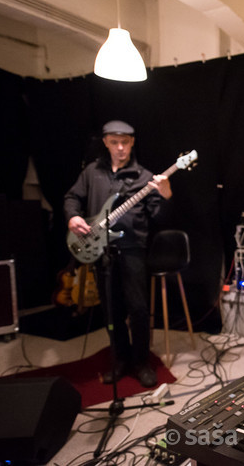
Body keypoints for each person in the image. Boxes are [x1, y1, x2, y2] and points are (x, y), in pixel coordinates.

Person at [64, 120, 173, 388]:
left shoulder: (145, 177)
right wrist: (73, 217)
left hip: (133, 249)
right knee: (111, 310)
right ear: (105, 142)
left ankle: (141, 362)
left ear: (133, 142)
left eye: (125, 142)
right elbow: (71, 198)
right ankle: (120, 359)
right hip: (100, 250)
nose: (120, 148)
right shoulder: (92, 172)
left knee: (138, 309)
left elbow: (160, 216)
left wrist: (166, 193)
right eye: (114, 142)